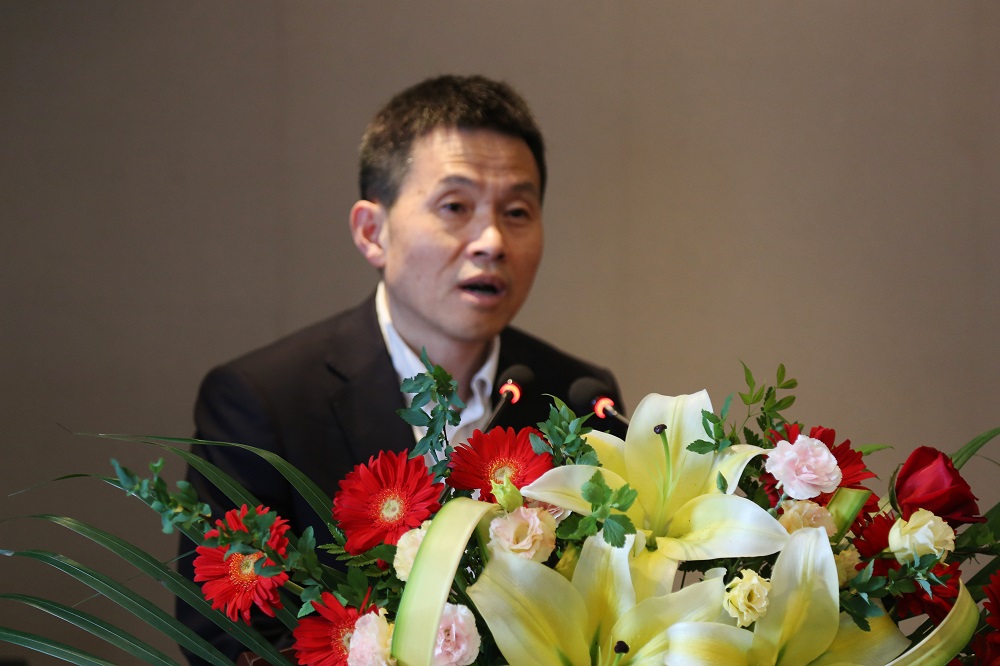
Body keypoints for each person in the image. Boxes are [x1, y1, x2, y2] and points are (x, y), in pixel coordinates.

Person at [177, 74, 626, 663]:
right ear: (373, 232)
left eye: (517, 211)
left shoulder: (578, 398)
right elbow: (224, 637)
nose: (492, 241)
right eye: (455, 207)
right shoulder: (262, 403)